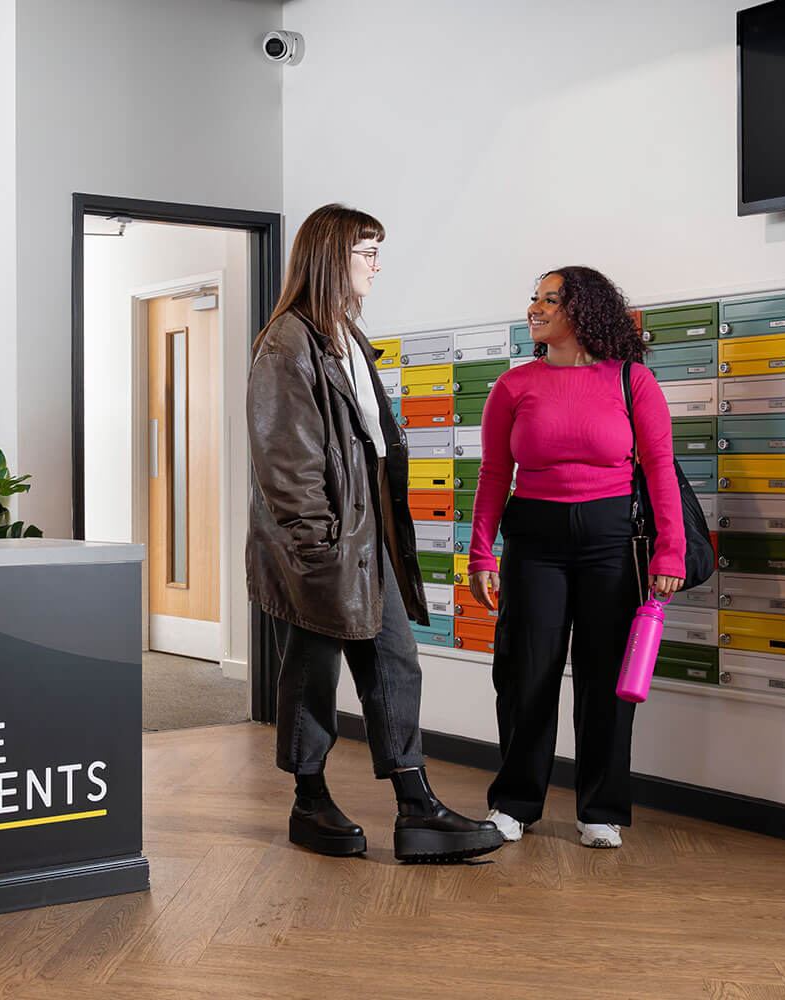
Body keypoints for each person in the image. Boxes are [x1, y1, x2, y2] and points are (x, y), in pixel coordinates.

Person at [246, 203, 503, 863]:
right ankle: (310, 801)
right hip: (323, 546)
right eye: (368, 252)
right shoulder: (288, 341)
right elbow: (287, 464)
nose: (377, 265)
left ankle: (415, 807)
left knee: (394, 663)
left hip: (369, 539)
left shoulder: (348, 337)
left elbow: (371, 449)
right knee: (312, 670)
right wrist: (319, 548)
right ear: (333, 256)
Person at [467, 267, 685, 849]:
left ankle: (601, 809)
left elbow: (660, 470)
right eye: (534, 297)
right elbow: (493, 475)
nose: (535, 307)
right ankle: (514, 803)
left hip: (612, 544)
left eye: (550, 299)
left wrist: (671, 549)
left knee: (605, 680)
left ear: (583, 311)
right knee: (524, 675)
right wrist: (481, 553)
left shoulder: (632, 381)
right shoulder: (513, 386)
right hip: (534, 544)